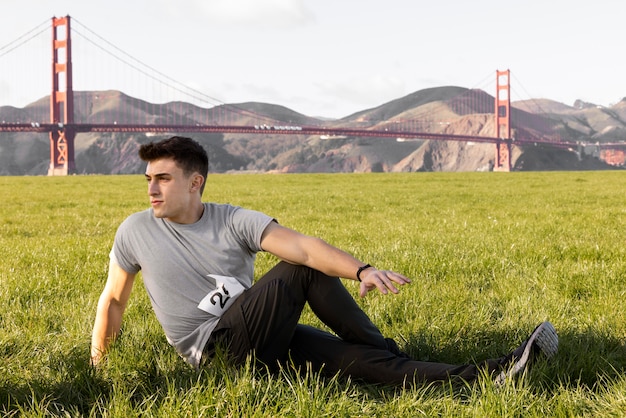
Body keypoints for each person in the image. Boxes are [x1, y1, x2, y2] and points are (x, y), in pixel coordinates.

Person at [90, 136, 558, 387]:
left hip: (264, 336)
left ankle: (494, 374)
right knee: (300, 272)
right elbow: (112, 301)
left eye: (163, 178)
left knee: (359, 363)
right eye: (148, 178)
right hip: (215, 353)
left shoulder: (232, 220)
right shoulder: (135, 230)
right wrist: (98, 368)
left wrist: (362, 270)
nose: (151, 188)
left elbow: (305, 246)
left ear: (195, 183)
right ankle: (392, 349)